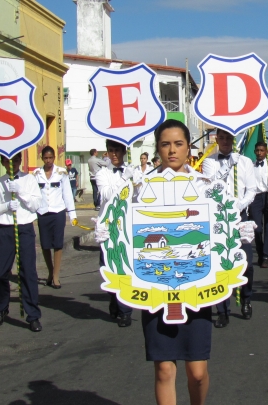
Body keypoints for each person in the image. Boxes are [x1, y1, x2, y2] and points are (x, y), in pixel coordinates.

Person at [145, 119, 212, 405]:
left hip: (196, 286)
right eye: (165, 144)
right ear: (158, 148)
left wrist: (237, 231)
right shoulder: (141, 187)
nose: (172, 150)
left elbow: (221, 227)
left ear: (188, 148)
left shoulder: (207, 187)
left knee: (197, 372)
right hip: (155, 286)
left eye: (178, 143)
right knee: (164, 369)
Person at [201, 128, 256, 327]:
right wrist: (226, 168)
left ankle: (246, 299)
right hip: (218, 216)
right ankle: (222, 309)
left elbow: (251, 190)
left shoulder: (245, 162)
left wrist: (239, 205)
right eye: (221, 138)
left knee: (246, 263)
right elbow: (211, 187)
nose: (224, 141)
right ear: (217, 139)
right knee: (221, 263)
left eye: (228, 138)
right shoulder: (209, 161)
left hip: (239, 215)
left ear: (233, 139)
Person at [0, 153, 44, 332]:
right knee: (0, 272)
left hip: (25, 227)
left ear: (20, 161)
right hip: (5, 228)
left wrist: (20, 191)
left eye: (16, 160)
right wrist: (5, 206)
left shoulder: (28, 180)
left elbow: (36, 205)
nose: (12, 164)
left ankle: (32, 315)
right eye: (8, 161)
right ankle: (1, 309)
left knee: (28, 271)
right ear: (3, 163)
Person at [96, 139, 142, 327]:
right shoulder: (102, 174)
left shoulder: (133, 170)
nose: (114, 154)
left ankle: (125, 311)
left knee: (124, 267)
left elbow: (139, 198)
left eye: (117, 150)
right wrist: (125, 181)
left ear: (124, 152)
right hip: (108, 226)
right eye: (111, 151)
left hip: (126, 225)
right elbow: (108, 195)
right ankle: (114, 298)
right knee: (107, 267)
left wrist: (137, 183)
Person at [34, 146, 77, 289]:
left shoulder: (61, 173)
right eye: (45, 158)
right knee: (45, 245)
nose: (48, 161)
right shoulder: (36, 174)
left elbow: (67, 194)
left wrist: (72, 214)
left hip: (58, 212)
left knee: (58, 244)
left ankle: (56, 276)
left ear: (54, 158)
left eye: (50, 158)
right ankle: (50, 272)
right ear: (42, 158)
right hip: (43, 212)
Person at [249, 141, 268, 269]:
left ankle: (266, 256)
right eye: (257, 151)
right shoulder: (251, 166)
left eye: (262, 150)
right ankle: (260, 252)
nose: (259, 153)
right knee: (257, 229)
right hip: (255, 198)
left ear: (266, 152)